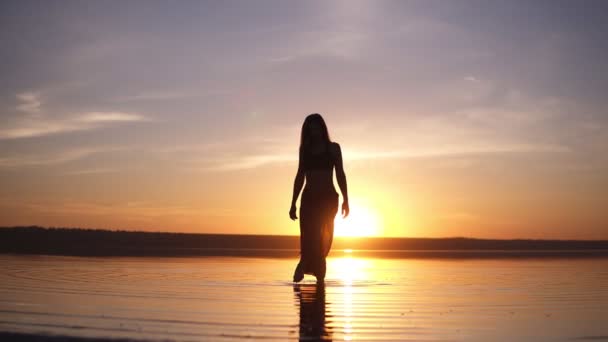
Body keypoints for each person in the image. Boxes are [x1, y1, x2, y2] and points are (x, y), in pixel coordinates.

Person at [289, 113, 349, 283]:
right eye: (310, 128)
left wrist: (346, 199)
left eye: (316, 127)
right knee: (309, 236)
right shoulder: (305, 150)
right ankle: (306, 265)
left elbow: (340, 174)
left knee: (322, 238)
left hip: (328, 199)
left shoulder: (333, 148)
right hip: (308, 199)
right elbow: (300, 175)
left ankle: (315, 273)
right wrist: (293, 202)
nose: (313, 131)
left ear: (322, 128)